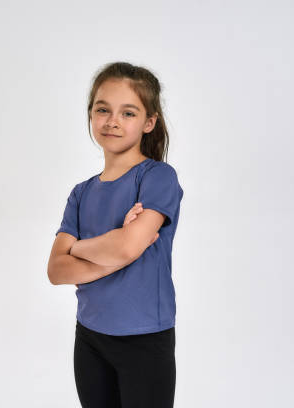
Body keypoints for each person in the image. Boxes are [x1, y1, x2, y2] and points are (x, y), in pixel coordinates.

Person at [47, 61, 184, 408]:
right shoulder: (81, 193)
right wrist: (112, 249)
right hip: (90, 338)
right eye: (103, 109)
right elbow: (56, 271)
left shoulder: (157, 178)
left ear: (149, 122)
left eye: (128, 113)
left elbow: (127, 247)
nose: (112, 121)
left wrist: (78, 249)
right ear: (91, 114)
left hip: (144, 340)